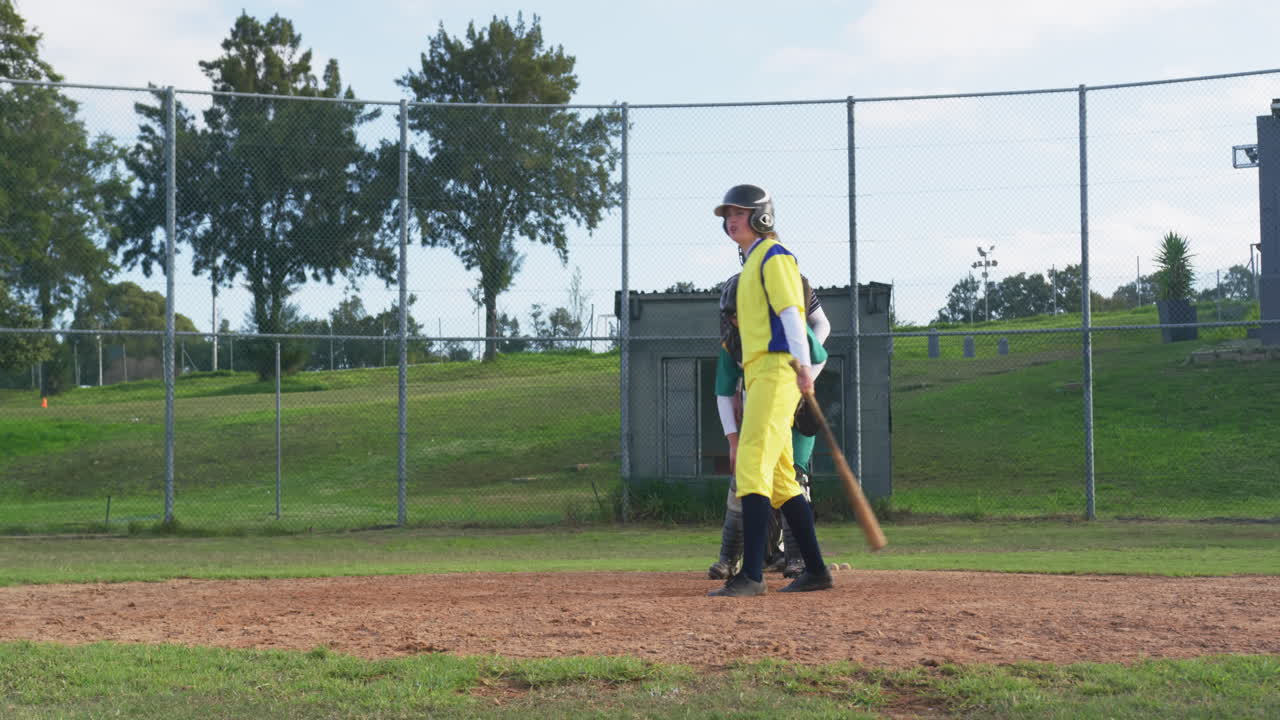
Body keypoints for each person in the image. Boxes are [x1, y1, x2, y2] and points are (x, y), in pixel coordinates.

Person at [707, 183, 833, 597]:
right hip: (759, 373)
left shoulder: (775, 256)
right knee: (781, 480)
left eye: (740, 214)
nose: (731, 221)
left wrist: (802, 367)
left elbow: (791, 314)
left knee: (751, 464)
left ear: (762, 217)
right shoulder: (751, 264)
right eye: (728, 215)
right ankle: (815, 570)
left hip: (777, 371)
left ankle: (752, 576)